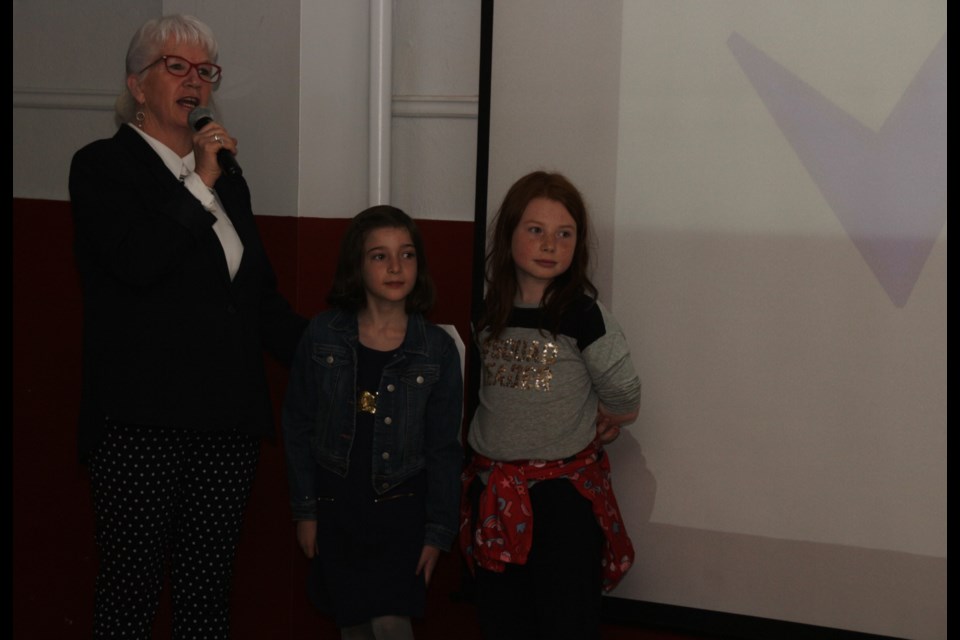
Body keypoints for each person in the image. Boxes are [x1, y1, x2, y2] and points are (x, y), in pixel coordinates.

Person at [69, 14, 307, 639]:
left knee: (207, 599)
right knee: (130, 595)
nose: (194, 82)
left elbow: (256, 299)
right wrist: (201, 181)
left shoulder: (229, 179)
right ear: (137, 85)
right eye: (176, 67)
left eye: (205, 71)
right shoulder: (103, 166)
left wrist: (340, 350)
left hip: (226, 422)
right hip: (140, 421)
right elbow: (137, 263)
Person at [460, 171, 641, 640]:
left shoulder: (583, 314)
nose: (550, 244)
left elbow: (625, 394)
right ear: (509, 235)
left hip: (561, 504)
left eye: (565, 234)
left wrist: (609, 420)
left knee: (564, 621)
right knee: (502, 620)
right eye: (535, 230)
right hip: (494, 495)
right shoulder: (487, 312)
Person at [283, 206, 464, 640]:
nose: (396, 267)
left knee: (390, 620)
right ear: (357, 265)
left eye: (407, 254)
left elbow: (444, 449)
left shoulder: (436, 349)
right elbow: (298, 425)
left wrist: (438, 533)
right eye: (380, 256)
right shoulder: (323, 335)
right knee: (354, 624)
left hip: (402, 512)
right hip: (338, 506)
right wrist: (305, 513)